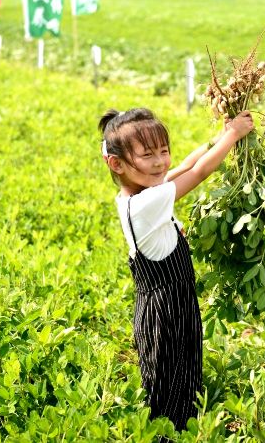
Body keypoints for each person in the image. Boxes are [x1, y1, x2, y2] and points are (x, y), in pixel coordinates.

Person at [98, 107, 253, 437]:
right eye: (148, 155)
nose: (160, 162)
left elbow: (184, 166)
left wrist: (218, 136)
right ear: (117, 164)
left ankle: (177, 432)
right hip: (164, 311)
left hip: (172, 304)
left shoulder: (139, 194)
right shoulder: (144, 205)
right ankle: (166, 436)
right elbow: (198, 173)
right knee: (168, 385)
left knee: (181, 377)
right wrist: (234, 135)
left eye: (163, 151)